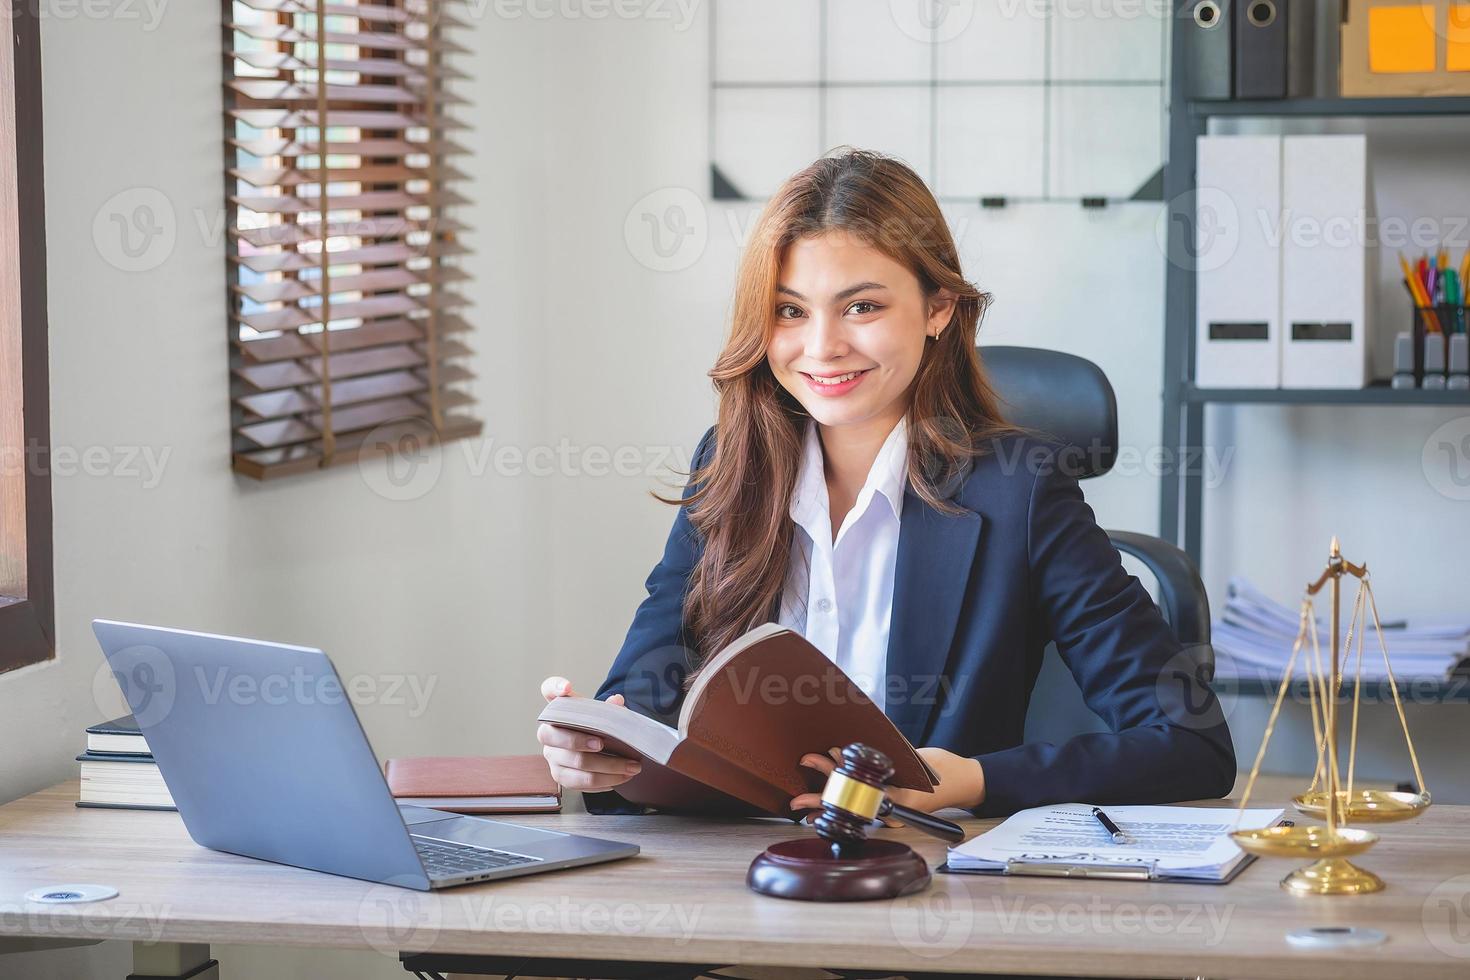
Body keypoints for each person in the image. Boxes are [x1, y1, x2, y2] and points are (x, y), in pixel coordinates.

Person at [537, 149, 1234, 819]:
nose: (822, 346)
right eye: (789, 311)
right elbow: (644, 701)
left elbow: (1190, 745)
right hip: (731, 881)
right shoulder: (730, 465)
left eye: (862, 307)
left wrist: (971, 779)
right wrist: (595, 753)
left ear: (938, 308)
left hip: (923, 889)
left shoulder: (1020, 492)